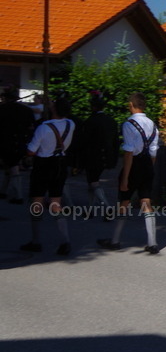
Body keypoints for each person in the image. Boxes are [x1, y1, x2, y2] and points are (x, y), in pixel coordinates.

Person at [97, 93, 159, 254]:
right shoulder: (153, 124)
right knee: (146, 202)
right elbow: (153, 152)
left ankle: (115, 240)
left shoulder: (128, 124)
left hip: (134, 164)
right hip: (148, 164)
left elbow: (129, 153)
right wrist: (148, 170)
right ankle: (152, 242)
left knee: (124, 202)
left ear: (131, 104)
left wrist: (125, 177)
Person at [20, 96, 74, 255]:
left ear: (54, 110)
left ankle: (36, 240)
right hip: (61, 163)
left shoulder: (44, 127)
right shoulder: (71, 124)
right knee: (56, 202)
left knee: (36, 201)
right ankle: (65, 240)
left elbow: (31, 150)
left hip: (43, 164)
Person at [73, 91, 118, 218]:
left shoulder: (90, 121)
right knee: (92, 182)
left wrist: (79, 160)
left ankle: (107, 206)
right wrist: (113, 158)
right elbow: (115, 142)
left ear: (93, 107)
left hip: (93, 157)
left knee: (93, 182)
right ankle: (91, 209)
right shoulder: (111, 121)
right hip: (107, 156)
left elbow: (84, 141)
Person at [0, 86, 35, 204]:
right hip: (21, 142)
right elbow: (31, 127)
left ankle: (18, 195)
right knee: (10, 166)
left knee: (13, 167)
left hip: (6, 142)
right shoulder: (27, 110)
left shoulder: (2, 109)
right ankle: (3, 191)